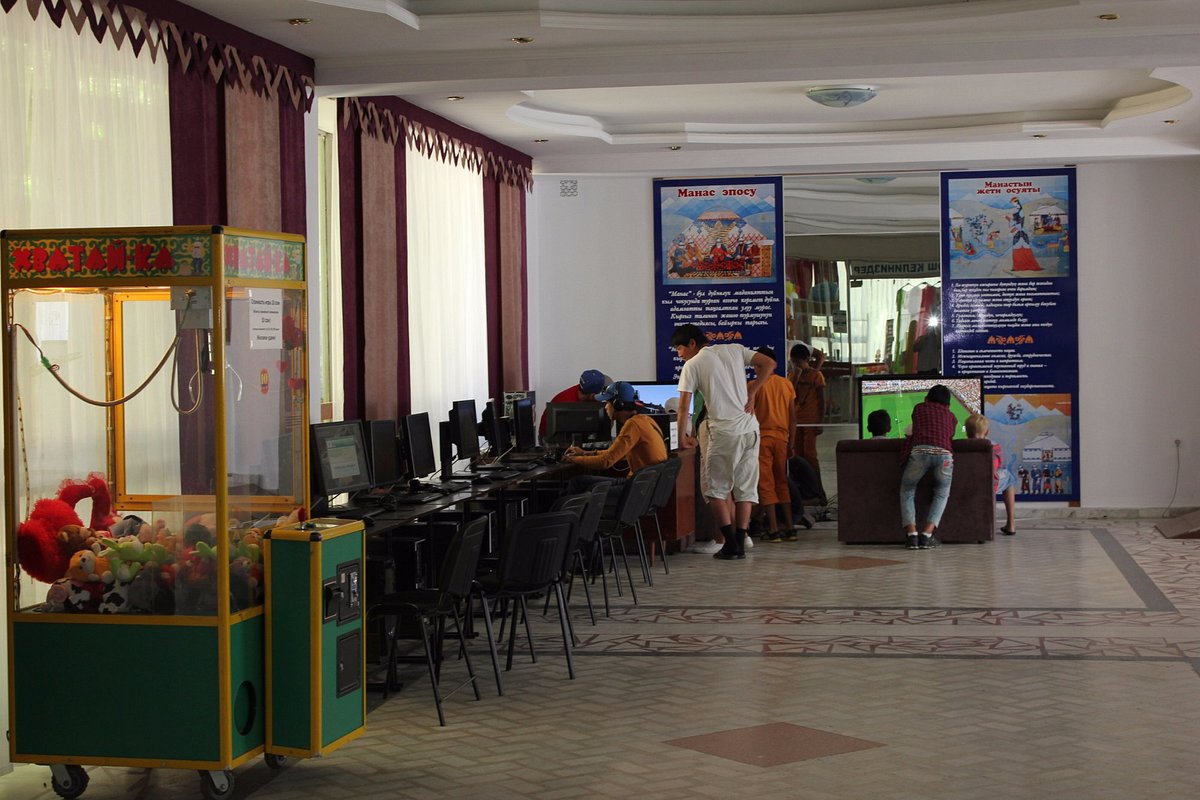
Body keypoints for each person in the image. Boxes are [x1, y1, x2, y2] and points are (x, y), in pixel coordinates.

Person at [671, 323, 775, 560]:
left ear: (692, 343)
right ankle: (740, 541)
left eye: (679, 348)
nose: (679, 354)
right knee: (745, 489)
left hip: (724, 432)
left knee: (715, 489)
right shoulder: (734, 349)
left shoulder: (692, 365)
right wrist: (753, 391)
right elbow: (769, 364)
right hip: (750, 429)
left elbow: (684, 407)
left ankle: (729, 543)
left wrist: (682, 437)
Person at [564, 381, 667, 497]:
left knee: (586, 490)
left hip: (638, 489)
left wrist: (573, 459)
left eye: (607, 403)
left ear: (618, 404)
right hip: (644, 485)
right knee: (579, 482)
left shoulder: (633, 425)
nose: (605, 407)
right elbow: (615, 454)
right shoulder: (644, 420)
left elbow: (605, 462)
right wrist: (584, 453)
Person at [900, 384, 957, 550]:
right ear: (948, 405)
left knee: (907, 490)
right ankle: (927, 535)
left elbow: (915, 429)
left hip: (920, 453)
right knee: (941, 494)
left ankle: (912, 535)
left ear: (926, 399)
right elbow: (950, 435)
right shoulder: (952, 417)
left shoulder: (919, 409)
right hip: (944, 456)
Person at [748, 347, 797, 543]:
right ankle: (790, 528)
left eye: (756, 365)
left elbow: (747, 414)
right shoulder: (786, 384)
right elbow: (792, 418)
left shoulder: (753, 386)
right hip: (782, 439)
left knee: (766, 484)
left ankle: (774, 530)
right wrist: (791, 443)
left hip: (762, 440)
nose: (755, 369)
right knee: (781, 482)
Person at [964, 413, 1017, 536]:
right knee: (1009, 478)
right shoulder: (994, 447)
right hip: (987, 485)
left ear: (966, 431)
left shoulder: (959, 446)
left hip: (964, 484)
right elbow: (995, 467)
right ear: (987, 432)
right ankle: (1011, 524)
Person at [788, 342, 826, 479]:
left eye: (798, 363)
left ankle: (817, 485)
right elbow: (789, 395)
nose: (796, 366)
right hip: (797, 420)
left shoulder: (816, 376)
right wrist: (796, 377)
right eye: (793, 363)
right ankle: (802, 484)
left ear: (807, 360)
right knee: (798, 454)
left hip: (811, 420)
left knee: (810, 454)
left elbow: (822, 400)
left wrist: (820, 422)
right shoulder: (792, 375)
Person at [538, 368, 609, 438]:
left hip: (578, 437)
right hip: (550, 439)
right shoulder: (565, 401)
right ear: (592, 394)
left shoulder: (587, 394)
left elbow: (604, 428)